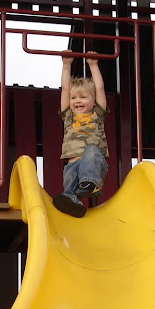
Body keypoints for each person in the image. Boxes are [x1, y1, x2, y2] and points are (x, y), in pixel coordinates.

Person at [53, 50, 109, 218]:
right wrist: (66, 65)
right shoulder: (68, 116)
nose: (77, 100)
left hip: (94, 165)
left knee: (91, 150)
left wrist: (93, 65)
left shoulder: (97, 113)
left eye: (83, 97)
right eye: (74, 98)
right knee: (69, 179)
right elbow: (64, 89)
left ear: (93, 101)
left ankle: (91, 183)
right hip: (73, 165)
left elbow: (99, 87)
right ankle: (73, 201)